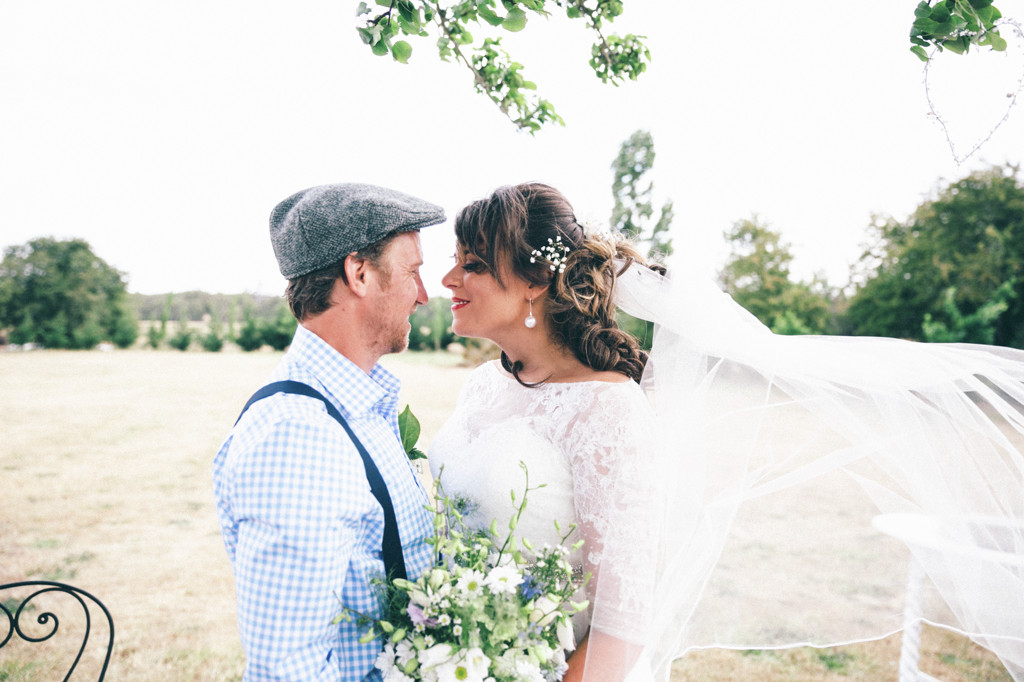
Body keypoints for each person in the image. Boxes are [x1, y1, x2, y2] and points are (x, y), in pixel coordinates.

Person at [429, 182, 1024, 681]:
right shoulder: (485, 386)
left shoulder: (606, 412)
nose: (448, 278)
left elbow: (624, 618)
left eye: (472, 264)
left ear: (535, 280)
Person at [213, 183, 446, 681]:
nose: (425, 296)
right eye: (412, 273)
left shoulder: (355, 405)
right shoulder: (298, 437)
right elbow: (287, 669)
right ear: (359, 273)